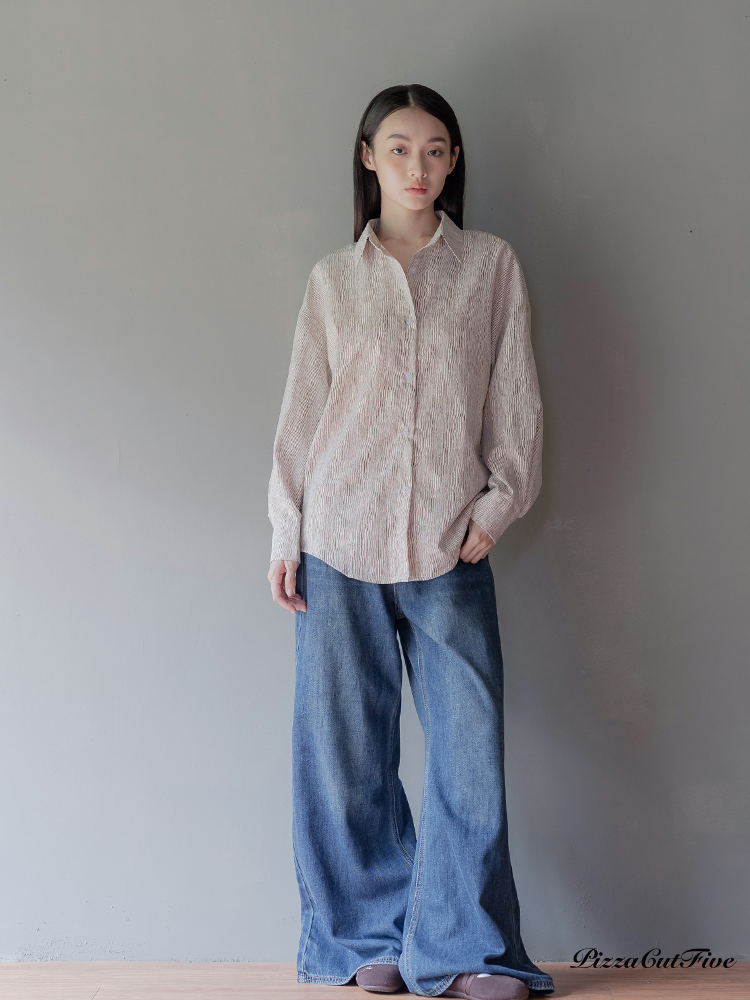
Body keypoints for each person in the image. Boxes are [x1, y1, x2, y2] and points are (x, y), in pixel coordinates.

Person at [267, 84, 555, 1000]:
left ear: (454, 160)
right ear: (369, 158)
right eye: (398, 149)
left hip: (448, 542)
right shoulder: (333, 280)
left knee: (468, 755)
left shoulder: (491, 266)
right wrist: (286, 530)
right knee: (344, 755)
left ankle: (469, 949)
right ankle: (367, 938)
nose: (417, 167)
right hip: (336, 538)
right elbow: (303, 413)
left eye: (435, 149)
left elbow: (515, 396)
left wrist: (497, 507)